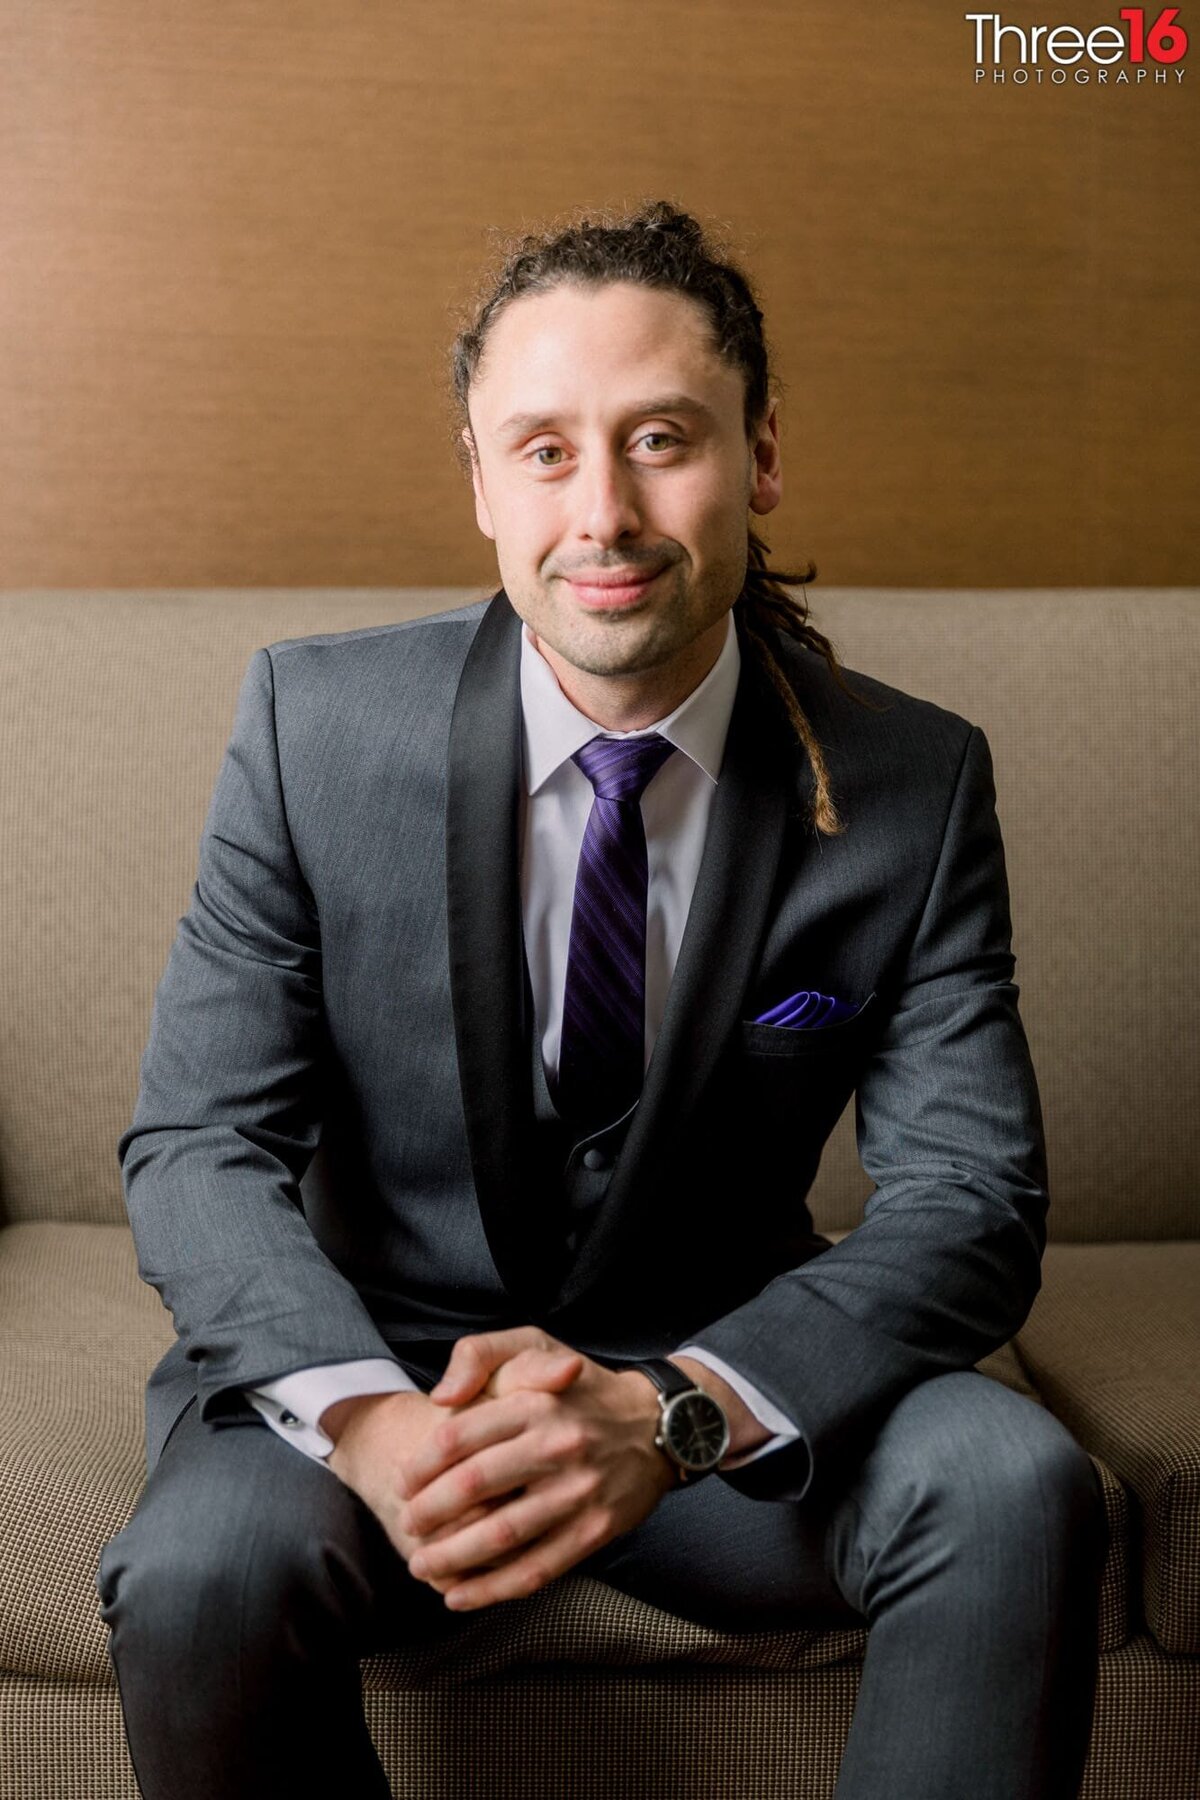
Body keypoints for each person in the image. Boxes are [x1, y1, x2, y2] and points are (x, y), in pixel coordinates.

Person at [97, 200, 1108, 1800]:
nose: (608, 511)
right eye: (547, 450)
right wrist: (369, 1423)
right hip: (385, 1381)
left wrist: (676, 1413)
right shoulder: (311, 728)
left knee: (1014, 1481)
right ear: (481, 481)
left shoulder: (916, 781)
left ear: (760, 457)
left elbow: (974, 1201)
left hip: (723, 1379)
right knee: (202, 1574)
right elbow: (198, 1144)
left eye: (661, 439)